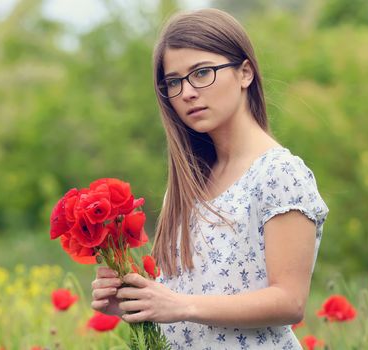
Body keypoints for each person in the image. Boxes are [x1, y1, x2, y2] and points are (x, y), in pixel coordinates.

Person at [90, 8, 329, 350]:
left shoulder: (279, 174)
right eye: (174, 82)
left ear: (245, 73)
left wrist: (180, 306)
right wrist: (132, 301)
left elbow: (289, 302)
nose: (187, 92)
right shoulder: (188, 183)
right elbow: (182, 296)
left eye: (202, 73)